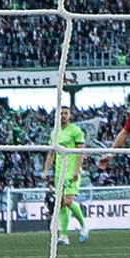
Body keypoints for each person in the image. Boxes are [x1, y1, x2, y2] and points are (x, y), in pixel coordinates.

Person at [43, 104, 89, 246]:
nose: (63, 115)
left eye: (65, 113)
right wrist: (45, 171)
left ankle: (84, 226)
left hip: (71, 171)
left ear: (69, 115)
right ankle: (63, 236)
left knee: (68, 201)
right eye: (60, 113)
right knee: (61, 204)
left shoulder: (76, 131)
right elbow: (51, 153)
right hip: (59, 173)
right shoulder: (54, 132)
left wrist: (76, 170)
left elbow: (81, 152)